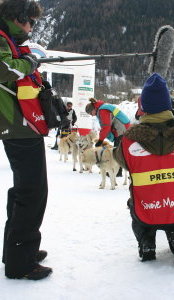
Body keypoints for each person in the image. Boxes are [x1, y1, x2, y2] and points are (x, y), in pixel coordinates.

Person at [113, 73, 174, 266]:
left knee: (137, 205)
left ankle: (146, 241)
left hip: (149, 208)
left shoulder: (129, 140)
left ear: (144, 108)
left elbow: (123, 162)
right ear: (168, 104)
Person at [0, 0, 52, 280]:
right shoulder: (2, 39)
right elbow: (3, 69)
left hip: (20, 124)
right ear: (14, 17)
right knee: (33, 192)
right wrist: (28, 62)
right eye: (28, 21)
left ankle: (15, 250)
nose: (31, 27)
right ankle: (21, 261)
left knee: (23, 189)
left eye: (34, 22)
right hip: (18, 125)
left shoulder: (10, 40)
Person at [85, 97, 131, 176]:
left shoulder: (102, 110)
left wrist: (100, 141)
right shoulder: (102, 108)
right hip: (121, 126)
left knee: (118, 151)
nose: (92, 115)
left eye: (90, 113)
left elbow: (106, 127)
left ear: (93, 109)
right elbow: (105, 126)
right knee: (119, 150)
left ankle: (118, 172)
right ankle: (119, 171)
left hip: (120, 128)